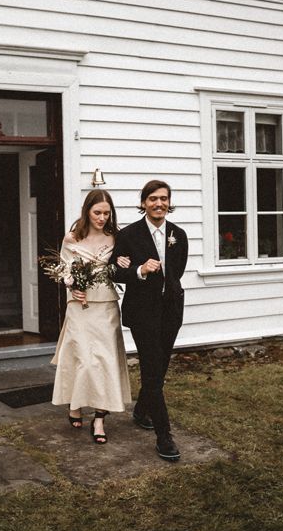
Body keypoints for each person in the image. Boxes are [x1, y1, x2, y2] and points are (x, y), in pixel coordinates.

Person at [111, 179, 188, 462]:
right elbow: (116, 272)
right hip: (143, 313)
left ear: (169, 202)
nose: (159, 204)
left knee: (160, 367)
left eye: (164, 199)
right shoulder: (129, 235)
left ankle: (142, 410)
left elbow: (177, 272)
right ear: (143, 202)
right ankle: (164, 437)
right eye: (153, 199)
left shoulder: (178, 234)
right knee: (152, 371)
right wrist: (140, 270)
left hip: (171, 312)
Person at [51, 189, 132, 444]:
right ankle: (75, 403)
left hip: (106, 304)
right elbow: (63, 269)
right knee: (83, 359)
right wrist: (72, 284)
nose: (102, 218)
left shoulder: (116, 238)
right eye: (97, 212)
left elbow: (122, 266)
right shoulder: (72, 238)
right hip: (80, 306)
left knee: (104, 361)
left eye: (107, 213)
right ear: (87, 211)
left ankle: (99, 417)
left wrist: (125, 264)